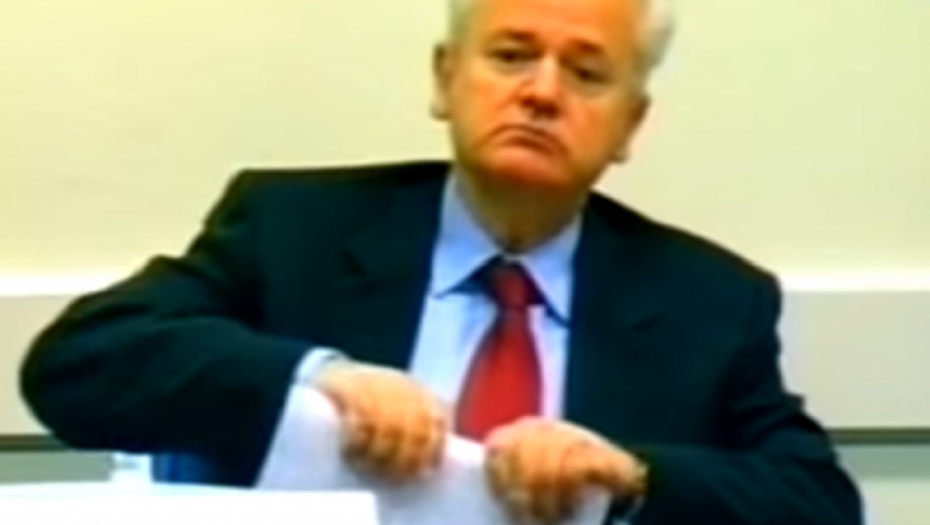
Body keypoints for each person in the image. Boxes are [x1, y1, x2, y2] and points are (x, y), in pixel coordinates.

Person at [19, 0, 864, 523]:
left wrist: (632, 474)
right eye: (511, 55)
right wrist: (321, 375)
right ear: (445, 77)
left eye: (585, 72)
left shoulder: (708, 300)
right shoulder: (295, 229)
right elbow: (76, 367)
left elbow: (819, 502)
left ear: (630, 125)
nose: (541, 92)